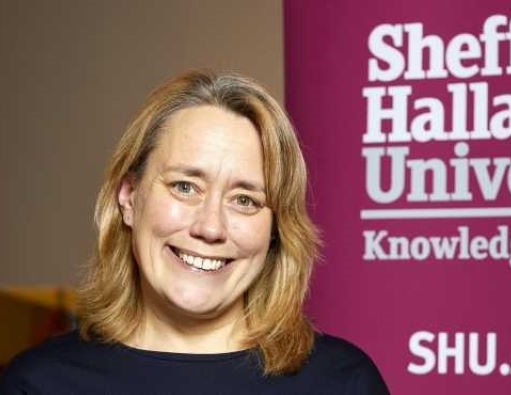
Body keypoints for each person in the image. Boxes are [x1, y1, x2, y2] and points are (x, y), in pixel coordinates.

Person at [0, 71, 389, 394]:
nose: (210, 227)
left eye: (245, 200)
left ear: (276, 229)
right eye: (185, 187)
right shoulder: (38, 384)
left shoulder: (343, 383)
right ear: (129, 197)